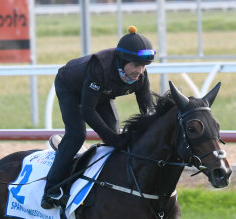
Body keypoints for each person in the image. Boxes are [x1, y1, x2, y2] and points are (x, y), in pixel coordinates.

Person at [41, 25, 156, 209]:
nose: (139, 71)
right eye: (135, 65)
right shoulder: (99, 69)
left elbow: (147, 108)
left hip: (99, 93)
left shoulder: (141, 75)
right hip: (70, 88)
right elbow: (87, 110)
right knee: (77, 135)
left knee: (114, 133)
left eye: (143, 66)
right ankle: (51, 189)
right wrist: (112, 138)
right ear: (122, 59)